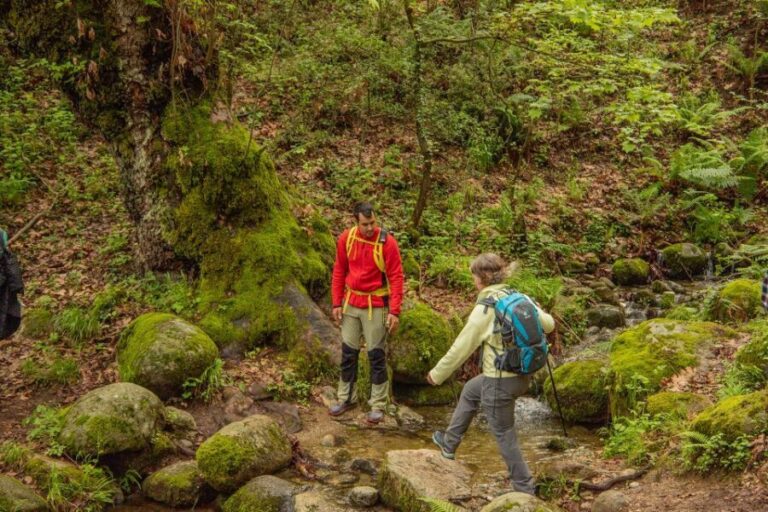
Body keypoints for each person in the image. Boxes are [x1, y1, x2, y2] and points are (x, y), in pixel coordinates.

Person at [426, 253, 554, 496]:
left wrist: (436, 374)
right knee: (472, 389)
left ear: (480, 279)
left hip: (499, 382)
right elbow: (549, 325)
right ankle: (449, 444)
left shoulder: (485, 309)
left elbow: (461, 348)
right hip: (523, 376)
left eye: (474, 276)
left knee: (504, 433)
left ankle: (524, 488)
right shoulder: (518, 296)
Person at [329, 202, 404, 424]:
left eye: (372, 223)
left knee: (376, 355)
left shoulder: (387, 243)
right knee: (348, 352)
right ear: (356, 221)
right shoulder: (347, 239)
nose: (370, 228)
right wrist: (335, 303)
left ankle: (378, 404)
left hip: (376, 303)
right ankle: (345, 398)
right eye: (365, 224)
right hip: (351, 302)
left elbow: (396, 276)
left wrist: (395, 310)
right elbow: (339, 270)